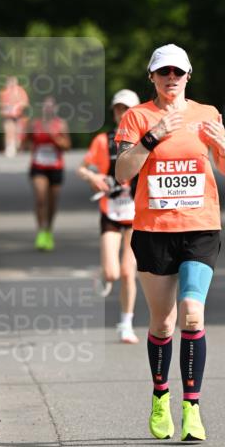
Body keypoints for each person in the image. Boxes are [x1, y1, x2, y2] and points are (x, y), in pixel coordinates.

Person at [114, 44, 225, 442]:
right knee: (163, 322)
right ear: (151, 77)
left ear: (188, 76)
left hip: (201, 226)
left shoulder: (207, 114)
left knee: (192, 314)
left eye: (178, 72)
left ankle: (192, 408)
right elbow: (121, 174)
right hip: (153, 230)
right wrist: (152, 138)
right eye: (163, 72)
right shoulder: (136, 118)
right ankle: (160, 396)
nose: (171, 78)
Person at [78, 90, 141, 344]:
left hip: (137, 214)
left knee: (128, 272)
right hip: (111, 213)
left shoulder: (145, 140)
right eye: (118, 108)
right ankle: (102, 273)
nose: (122, 113)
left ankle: (126, 324)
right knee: (113, 273)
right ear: (114, 112)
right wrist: (94, 178)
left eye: (127, 108)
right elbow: (84, 168)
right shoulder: (104, 141)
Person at [22, 96, 71, 250]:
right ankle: (41, 231)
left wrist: (55, 138)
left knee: (52, 202)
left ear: (55, 109)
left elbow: (67, 146)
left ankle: (49, 229)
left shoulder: (61, 125)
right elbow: (25, 142)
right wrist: (29, 144)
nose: (48, 109)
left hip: (56, 167)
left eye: (51, 106)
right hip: (39, 166)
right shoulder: (34, 124)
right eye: (45, 106)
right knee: (41, 198)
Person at [0, 76, 29, 157]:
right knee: (8, 131)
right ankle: (9, 147)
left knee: (18, 131)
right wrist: (4, 110)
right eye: (9, 82)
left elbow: (25, 102)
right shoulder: (4, 92)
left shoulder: (20, 91)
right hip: (8, 116)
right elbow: (1, 104)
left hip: (18, 115)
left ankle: (17, 145)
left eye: (12, 82)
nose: (10, 84)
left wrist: (18, 107)